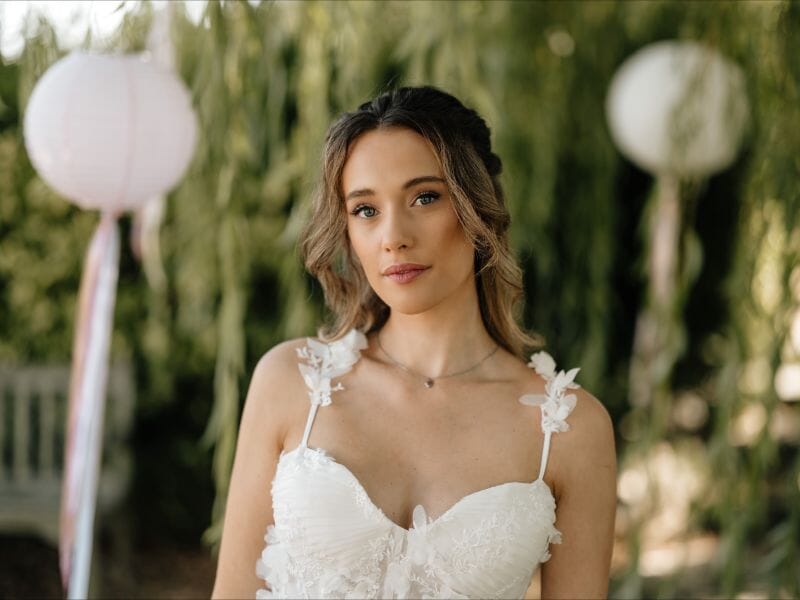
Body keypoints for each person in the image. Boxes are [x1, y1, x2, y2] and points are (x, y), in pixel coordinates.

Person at [211, 86, 616, 599]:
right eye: (365, 209)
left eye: (425, 198)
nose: (393, 236)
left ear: (477, 209)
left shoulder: (569, 429)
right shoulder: (290, 383)